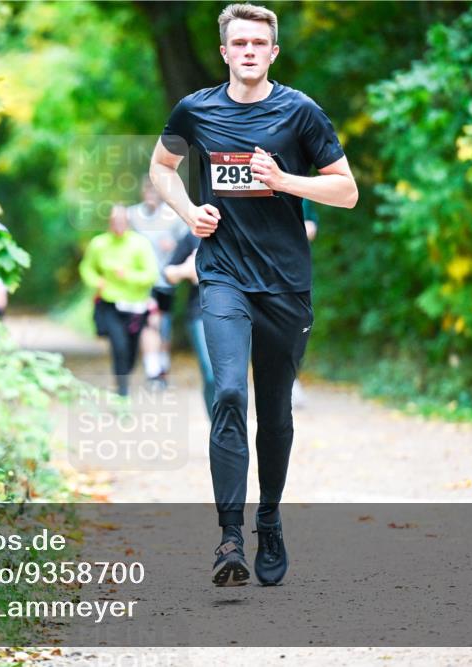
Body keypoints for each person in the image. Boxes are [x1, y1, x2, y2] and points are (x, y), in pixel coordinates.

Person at [148, 3, 357, 587]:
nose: (247, 51)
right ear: (224, 51)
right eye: (237, 43)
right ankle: (229, 537)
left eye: (257, 43)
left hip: (286, 284)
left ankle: (269, 518)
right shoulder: (196, 109)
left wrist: (284, 181)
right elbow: (163, 167)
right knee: (230, 393)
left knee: (277, 412)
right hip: (223, 276)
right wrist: (189, 211)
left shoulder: (301, 112)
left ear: (272, 52)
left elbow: (347, 192)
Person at [79, 204, 160, 396]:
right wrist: (96, 281)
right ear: (109, 222)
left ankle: (125, 375)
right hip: (110, 304)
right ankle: (122, 390)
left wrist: (127, 275)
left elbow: (151, 275)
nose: (118, 225)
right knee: (119, 345)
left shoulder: (140, 244)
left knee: (131, 351)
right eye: (115, 221)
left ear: (128, 222)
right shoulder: (99, 244)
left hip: (135, 307)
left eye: (122, 221)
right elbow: (86, 268)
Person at [127, 177, 187, 389]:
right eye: (148, 190)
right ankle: (153, 371)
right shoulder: (132, 215)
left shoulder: (174, 217)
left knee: (163, 327)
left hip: (165, 281)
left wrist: (174, 247)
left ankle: (161, 368)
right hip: (142, 282)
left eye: (156, 191)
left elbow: (188, 243)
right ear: (143, 192)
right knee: (149, 323)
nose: (152, 195)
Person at [163, 231, 215, 420]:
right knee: (211, 374)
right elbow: (168, 273)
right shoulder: (194, 234)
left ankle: (231, 428)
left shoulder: (241, 227)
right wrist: (187, 270)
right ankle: (218, 431)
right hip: (199, 312)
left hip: (239, 314)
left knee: (232, 380)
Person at [291, 198, 319, 408]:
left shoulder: (303, 193)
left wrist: (301, 230)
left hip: (295, 271)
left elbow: (312, 225)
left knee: (299, 326)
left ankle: (291, 377)